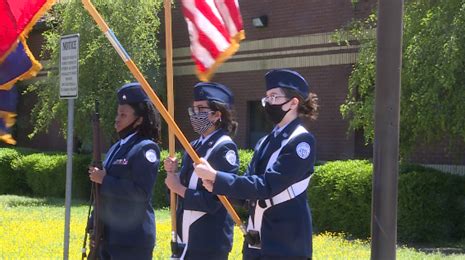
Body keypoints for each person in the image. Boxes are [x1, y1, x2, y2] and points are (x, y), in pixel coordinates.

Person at [194, 69, 319, 260]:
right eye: (267, 97)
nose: (269, 102)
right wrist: (217, 186)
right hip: (257, 237)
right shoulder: (265, 142)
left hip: (285, 241)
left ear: (293, 102)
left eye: (274, 97)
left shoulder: (301, 142)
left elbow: (268, 185)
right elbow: (249, 187)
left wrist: (217, 177)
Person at [164, 82, 240, 260]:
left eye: (200, 109)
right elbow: (181, 189)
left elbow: (216, 200)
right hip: (187, 235)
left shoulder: (225, 147)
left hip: (208, 239)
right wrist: (172, 173)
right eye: (193, 109)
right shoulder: (194, 145)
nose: (194, 114)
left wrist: (179, 189)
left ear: (216, 115)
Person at [88, 82, 161, 260]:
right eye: (117, 113)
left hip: (132, 240)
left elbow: (141, 192)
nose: (117, 119)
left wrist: (104, 180)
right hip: (109, 236)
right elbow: (102, 194)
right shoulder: (117, 147)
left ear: (139, 119)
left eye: (123, 115)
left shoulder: (146, 148)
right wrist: (93, 225)